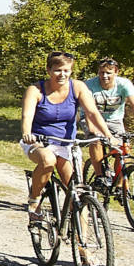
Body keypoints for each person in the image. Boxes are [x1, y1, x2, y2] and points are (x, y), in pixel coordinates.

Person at [20, 52, 114, 226]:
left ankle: (82, 245)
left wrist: (108, 135)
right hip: (39, 141)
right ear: (49, 70)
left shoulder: (77, 87)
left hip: (66, 144)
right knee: (48, 160)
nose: (62, 74)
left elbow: (92, 112)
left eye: (66, 70)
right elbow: (27, 116)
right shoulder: (36, 90)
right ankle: (34, 199)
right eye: (57, 70)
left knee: (77, 192)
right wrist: (27, 133)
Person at [80, 58, 134, 178]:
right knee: (96, 141)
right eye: (101, 72)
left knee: (123, 149)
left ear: (116, 72)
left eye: (108, 73)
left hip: (115, 120)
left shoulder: (124, 84)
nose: (104, 76)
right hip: (92, 119)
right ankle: (99, 176)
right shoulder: (89, 85)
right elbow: (90, 111)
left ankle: (120, 185)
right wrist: (93, 130)